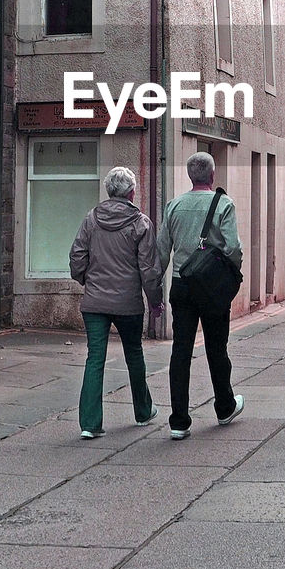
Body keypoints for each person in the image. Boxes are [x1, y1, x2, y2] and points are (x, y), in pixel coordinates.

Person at [68, 166, 162, 440]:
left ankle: (90, 424)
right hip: (128, 302)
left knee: (95, 358)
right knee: (134, 354)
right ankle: (143, 411)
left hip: (95, 302)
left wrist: (87, 281)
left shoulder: (91, 219)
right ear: (132, 192)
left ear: (109, 191)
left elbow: (76, 258)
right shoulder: (141, 223)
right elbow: (150, 270)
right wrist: (155, 301)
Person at [156, 151, 244, 440]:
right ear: (213, 176)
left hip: (182, 284)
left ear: (190, 176)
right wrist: (232, 275)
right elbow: (232, 247)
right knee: (217, 348)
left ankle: (179, 421)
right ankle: (224, 406)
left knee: (180, 351)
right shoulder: (224, 205)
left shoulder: (174, 206)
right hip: (211, 286)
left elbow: (161, 252)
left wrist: (155, 286)